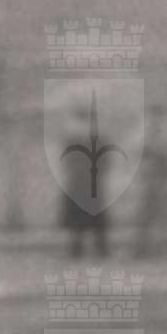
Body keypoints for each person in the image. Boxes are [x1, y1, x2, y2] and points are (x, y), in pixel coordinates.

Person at [56, 101, 112, 259]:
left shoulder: (98, 139)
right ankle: (77, 248)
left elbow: (105, 160)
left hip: (92, 183)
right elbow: (67, 161)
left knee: (97, 217)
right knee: (77, 217)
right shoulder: (72, 140)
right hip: (78, 183)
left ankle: (101, 248)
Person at [131, 106, 167, 258]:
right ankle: (140, 248)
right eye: (152, 117)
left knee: (162, 215)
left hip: (162, 180)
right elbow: (136, 153)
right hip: (146, 180)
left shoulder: (166, 136)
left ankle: (161, 248)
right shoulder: (142, 135)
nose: (155, 121)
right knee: (143, 215)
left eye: (158, 117)